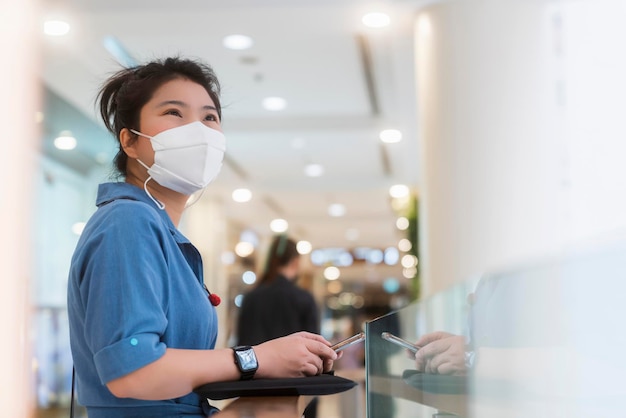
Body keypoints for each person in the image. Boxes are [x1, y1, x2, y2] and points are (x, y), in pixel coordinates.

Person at [66, 57, 338, 418]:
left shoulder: (163, 233)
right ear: (130, 141)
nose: (197, 129)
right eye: (174, 113)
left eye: (209, 117)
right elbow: (131, 370)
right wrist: (256, 358)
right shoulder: (127, 221)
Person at [236, 234, 319, 346]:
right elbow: (314, 344)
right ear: (296, 262)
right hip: (293, 363)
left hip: (256, 362)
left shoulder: (251, 297)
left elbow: (243, 343)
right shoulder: (304, 298)